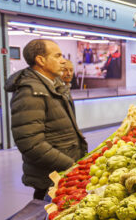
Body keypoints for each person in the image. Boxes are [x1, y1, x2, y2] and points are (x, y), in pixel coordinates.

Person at [5, 39, 88, 200]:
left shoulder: (53, 86)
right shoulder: (30, 92)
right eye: (57, 56)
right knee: (44, 216)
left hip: (64, 173)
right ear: (40, 60)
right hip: (50, 177)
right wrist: (70, 165)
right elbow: (31, 143)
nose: (63, 60)